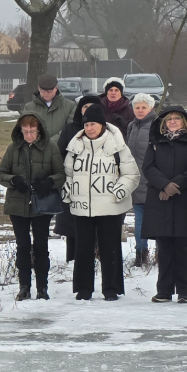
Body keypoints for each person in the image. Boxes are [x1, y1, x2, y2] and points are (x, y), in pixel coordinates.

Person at [62, 104, 139, 301]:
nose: (89, 128)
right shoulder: (75, 146)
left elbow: (131, 174)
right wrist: (68, 190)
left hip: (110, 206)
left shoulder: (117, 145)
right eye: (86, 124)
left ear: (102, 125)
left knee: (109, 248)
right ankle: (83, 288)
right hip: (82, 207)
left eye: (93, 124)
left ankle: (111, 288)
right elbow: (68, 174)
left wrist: (119, 191)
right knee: (83, 249)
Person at [0, 113, 64, 300]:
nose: (28, 136)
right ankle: (24, 286)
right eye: (25, 132)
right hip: (18, 205)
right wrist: (13, 180)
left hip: (42, 204)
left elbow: (61, 174)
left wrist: (49, 182)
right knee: (23, 245)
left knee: (41, 245)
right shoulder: (13, 148)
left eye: (32, 131)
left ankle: (42, 287)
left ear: (39, 130)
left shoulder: (51, 148)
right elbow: (1, 174)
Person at [142, 106, 187, 303]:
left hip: (185, 200)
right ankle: (164, 291)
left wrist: (174, 186)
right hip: (160, 200)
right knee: (164, 246)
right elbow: (148, 167)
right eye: (169, 119)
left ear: (184, 121)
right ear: (164, 123)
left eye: (177, 118)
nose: (173, 121)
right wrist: (164, 185)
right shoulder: (155, 143)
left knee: (183, 246)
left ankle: (184, 290)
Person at [55, 94, 104, 263]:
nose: (87, 110)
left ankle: (97, 256)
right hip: (74, 182)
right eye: (84, 107)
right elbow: (60, 152)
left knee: (97, 222)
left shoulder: (107, 130)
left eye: (92, 107)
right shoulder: (70, 129)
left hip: (99, 184)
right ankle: (73, 258)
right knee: (73, 223)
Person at [126, 93, 158, 267]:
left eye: (143, 107)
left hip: (154, 182)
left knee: (159, 222)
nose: (139, 110)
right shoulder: (131, 126)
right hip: (136, 181)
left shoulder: (157, 126)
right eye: (137, 107)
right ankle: (141, 254)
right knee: (139, 222)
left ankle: (161, 255)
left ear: (151, 108)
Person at [22, 73, 77, 139]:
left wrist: (51, 143)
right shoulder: (29, 107)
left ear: (56, 88)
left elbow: (71, 128)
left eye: (49, 91)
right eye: (43, 91)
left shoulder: (70, 106)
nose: (46, 93)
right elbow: (24, 129)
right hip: (36, 147)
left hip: (60, 146)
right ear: (39, 88)